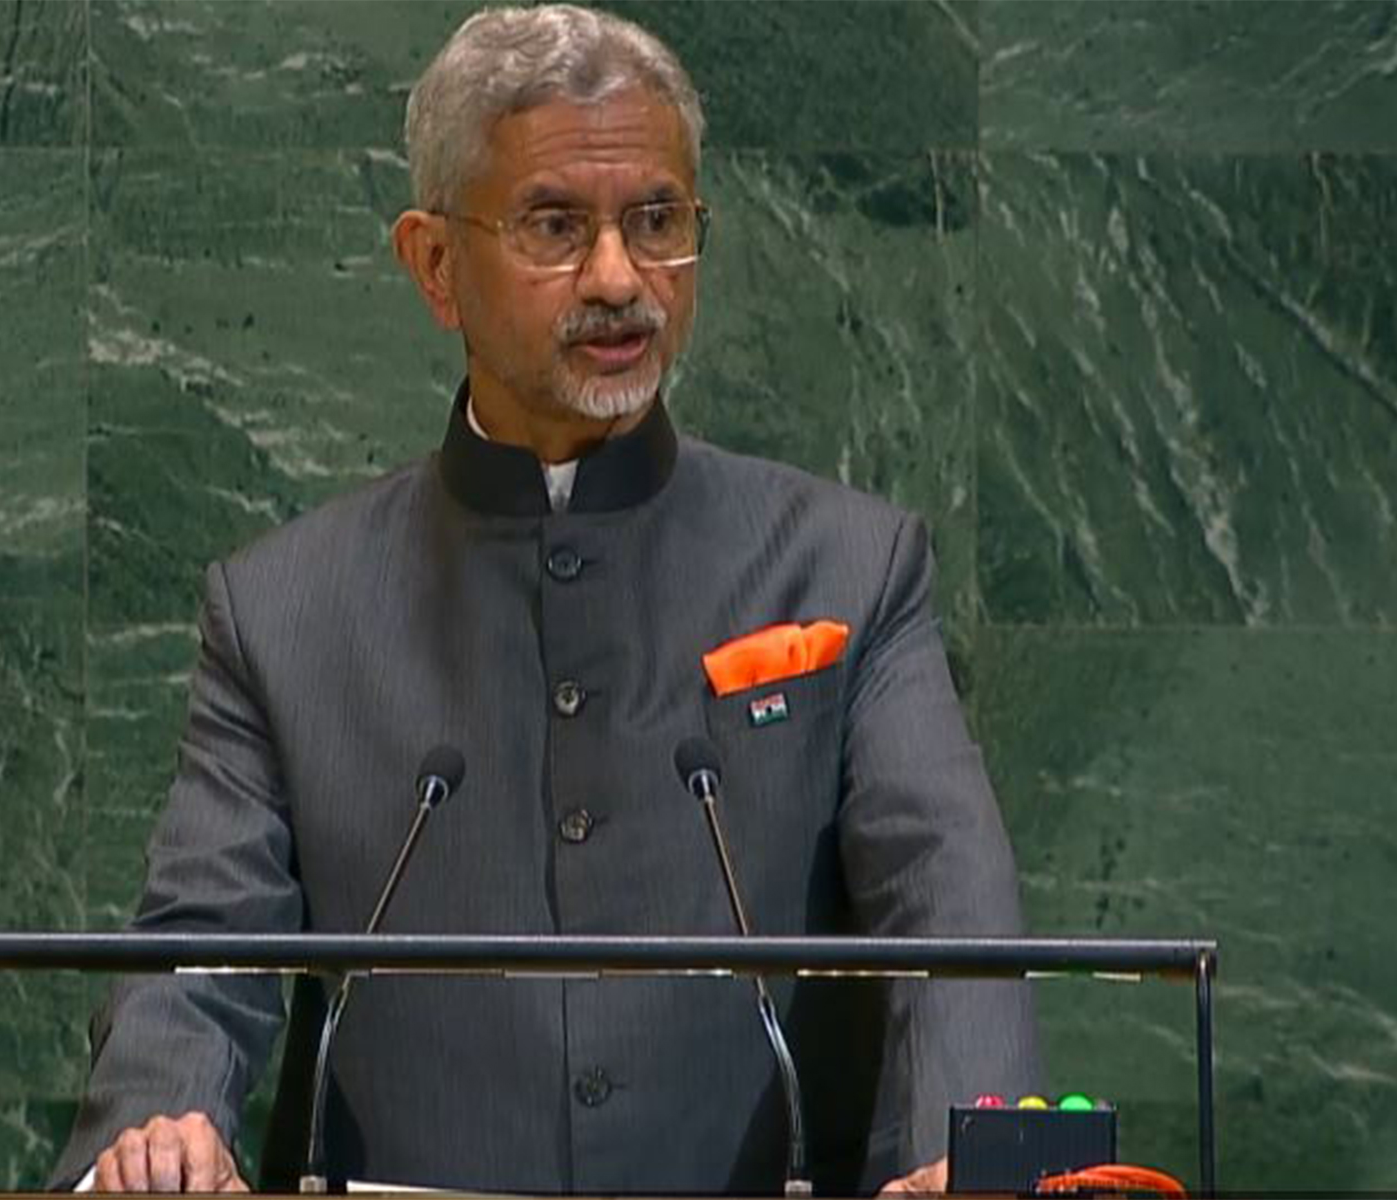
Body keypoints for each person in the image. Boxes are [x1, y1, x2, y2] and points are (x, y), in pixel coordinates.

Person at [53, 5, 1040, 1194]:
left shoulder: (848, 567)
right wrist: (158, 1137)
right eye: (556, 226)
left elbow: (946, 903)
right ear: (434, 265)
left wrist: (970, 1156)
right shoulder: (283, 612)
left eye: (657, 221)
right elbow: (202, 949)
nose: (619, 278)